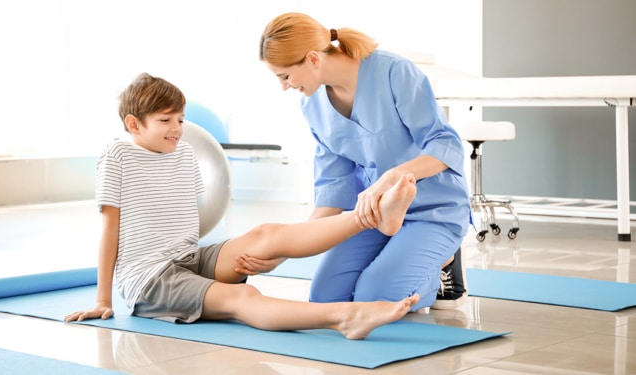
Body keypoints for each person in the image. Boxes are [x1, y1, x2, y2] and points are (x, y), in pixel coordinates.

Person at [64, 72, 420, 340]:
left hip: (189, 258)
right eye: (165, 121)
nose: (177, 129)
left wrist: (233, 256)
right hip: (150, 280)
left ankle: (371, 217)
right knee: (242, 297)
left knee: (267, 233)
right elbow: (110, 229)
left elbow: (187, 222)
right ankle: (344, 317)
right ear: (133, 124)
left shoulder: (185, 153)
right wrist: (103, 299)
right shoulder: (118, 154)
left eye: (181, 120)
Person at [252, 12, 472, 311]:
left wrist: (393, 177)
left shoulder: (394, 72)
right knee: (325, 300)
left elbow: (444, 143)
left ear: (313, 59)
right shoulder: (312, 105)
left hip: (433, 209)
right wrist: (287, 249)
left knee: (374, 300)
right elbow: (335, 188)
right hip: (373, 213)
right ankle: (405, 254)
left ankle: (442, 263)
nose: (284, 87)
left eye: (285, 76)